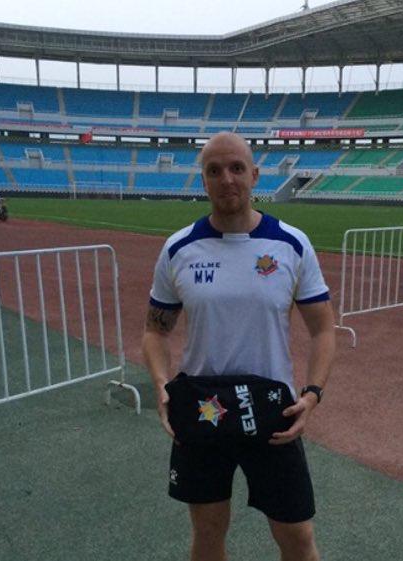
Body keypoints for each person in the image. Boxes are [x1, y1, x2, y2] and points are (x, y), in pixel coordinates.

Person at [141, 132, 335, 561]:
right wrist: (159, 383)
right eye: (214, 171)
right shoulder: (179, 248)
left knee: (297, 536)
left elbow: (323, 329)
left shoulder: (291, 243)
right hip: (203, 409)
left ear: (255, 175)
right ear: (203, 181)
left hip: (272, 411)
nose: (226, 179)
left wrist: (312, 394)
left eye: (236, 168)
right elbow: (155, 331)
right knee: (208, 532)